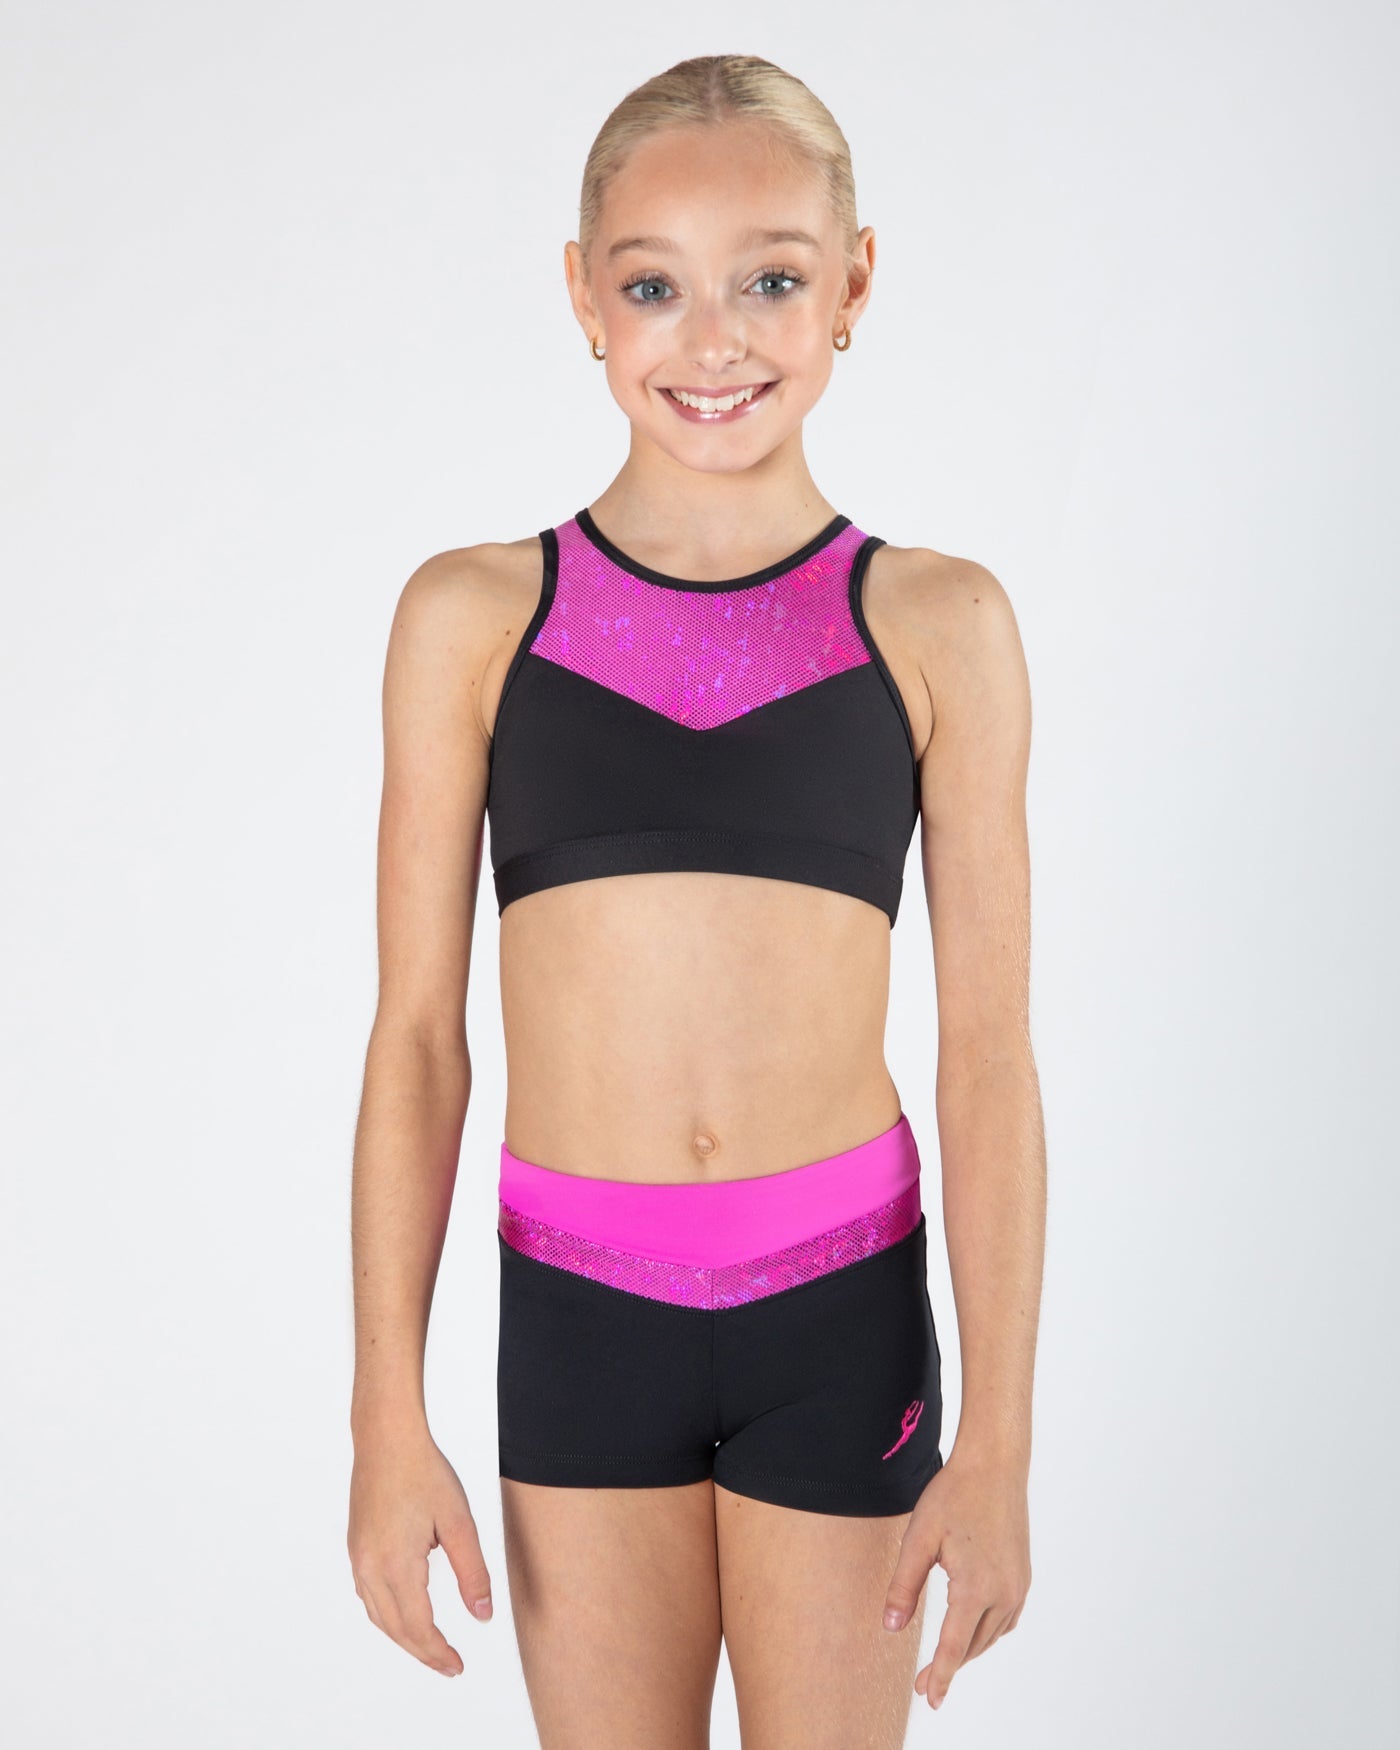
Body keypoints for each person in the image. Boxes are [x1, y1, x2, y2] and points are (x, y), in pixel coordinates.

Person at [347, 51, 1044, 1747]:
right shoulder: (475, 617)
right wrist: (384, 1411)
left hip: (840, 1311)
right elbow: (419, 1039)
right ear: (583, 295)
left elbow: (987, 1058)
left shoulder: (937, 622)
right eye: (655, 285)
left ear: (854, 285)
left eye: (772, 281)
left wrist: (1000, 1449)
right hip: (582, 1316)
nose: (714, 340)